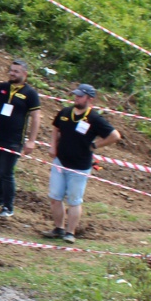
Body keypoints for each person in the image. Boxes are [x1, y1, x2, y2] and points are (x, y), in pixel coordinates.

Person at [45, 84, 119, 242]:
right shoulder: (65, 112)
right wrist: (53, 145)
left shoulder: (95, 118)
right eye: (76, 95)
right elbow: (56, 128)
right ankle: (59, 228)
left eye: (80, 95)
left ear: (89, 99)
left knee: (74, 200)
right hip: (60, 161)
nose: (76, 97)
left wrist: (95, 145)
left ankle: (70, 232)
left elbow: (114, 136)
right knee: (55, 197)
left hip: (80, 166)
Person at [0, 60, 42, 218]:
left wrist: (31, 140)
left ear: (24, 74)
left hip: (14, 140)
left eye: (16, 71)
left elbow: (36, 118)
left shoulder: (30, 93)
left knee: (6, 172)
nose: (12, 73)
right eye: (11, 70)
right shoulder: (3, 87)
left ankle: (8, 206)